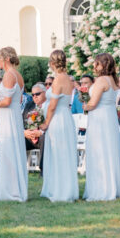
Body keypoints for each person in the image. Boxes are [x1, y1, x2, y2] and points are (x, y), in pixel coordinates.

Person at [39, 50, 78, 202]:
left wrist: (46, 122)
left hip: (57, 118)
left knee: (58, 152)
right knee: (64, 153)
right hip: (66, 117)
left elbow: (53, 105)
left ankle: (60, 189)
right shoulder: (68, 79)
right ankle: (63, 187)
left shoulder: (57, 80)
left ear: (53, 63)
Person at [83, 52, 120, 202]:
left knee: (99, 151)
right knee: (109, 151)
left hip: (99, 120)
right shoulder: (113, 80)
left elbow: (93, 104)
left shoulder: (100, 81)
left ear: (103, 65)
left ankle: (102, 188)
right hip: (109, 118)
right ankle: (113, 185)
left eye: (97, 63)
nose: (94, 65)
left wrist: (86, 106)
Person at [0, 46, 28, 202]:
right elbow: (18, 99)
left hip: (8, 117)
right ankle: (16, 187)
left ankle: (10, 190)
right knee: (14, 150)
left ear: (6, 59)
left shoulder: (8, 75)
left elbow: (6, 101)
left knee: (7, 151)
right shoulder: (18, 75)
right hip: (14, 116)